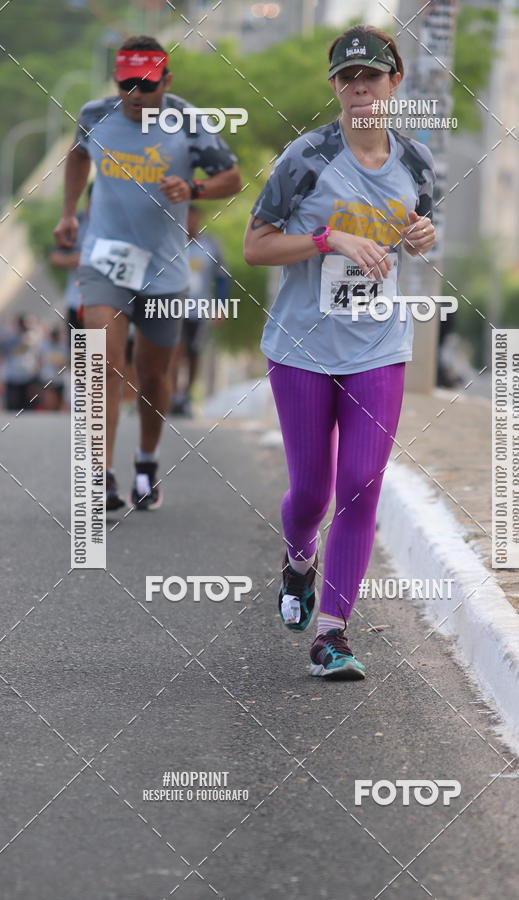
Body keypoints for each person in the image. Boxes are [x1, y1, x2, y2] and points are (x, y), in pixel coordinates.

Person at [244, 25, 436, 679]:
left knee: (360, 487)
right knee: (311, 492)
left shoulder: (416, 161)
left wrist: (420, 236)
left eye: (372, 77)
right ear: (335, 87)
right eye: (348, 79)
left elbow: (417, 231)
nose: (360, 89)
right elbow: (256, 246)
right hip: (300, 348)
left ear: (394, 83)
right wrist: (330, 240)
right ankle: (298, 559)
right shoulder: (305, 159)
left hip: (379, 347)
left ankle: (332, 634)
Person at [54, 35, 241, 511]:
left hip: (164, 269)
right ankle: (99, 475)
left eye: (146, 85)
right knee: (103, 361)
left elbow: (232, 178)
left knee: (156, 378)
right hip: (105, 258)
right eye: (126, 84)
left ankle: (146, 461)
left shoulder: (189, 122)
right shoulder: (96, 114)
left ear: (167, 81)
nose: (134, 95)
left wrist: (194, 185)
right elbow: (77, 157)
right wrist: (69, 214)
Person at [170, 205, 229, 416]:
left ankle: (185, 396)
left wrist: (220, 306)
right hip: (173, 308)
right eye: (187, 218)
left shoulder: (210, 245)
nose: (191, 223)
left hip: (199, 309)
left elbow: (222, 278)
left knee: (194, 353)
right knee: (175, 349)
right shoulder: (172, 243)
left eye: (195, 218)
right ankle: (172, 394)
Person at [48, 182, 92, 348]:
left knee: (102, 360)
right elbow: (54, 256)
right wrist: (75, 259)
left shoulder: (116, 223)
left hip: (108, 301)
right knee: (81, 360)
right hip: (77, 302)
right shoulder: (75, 222)